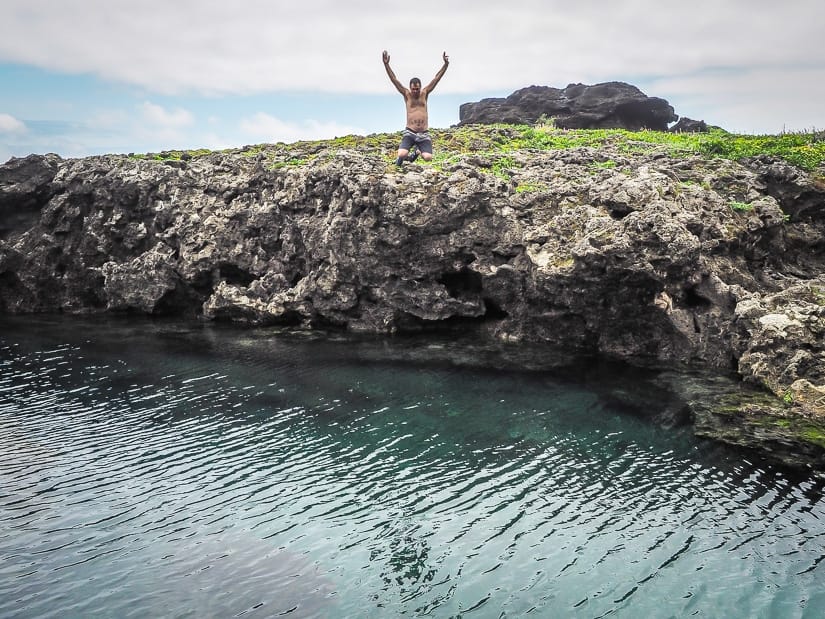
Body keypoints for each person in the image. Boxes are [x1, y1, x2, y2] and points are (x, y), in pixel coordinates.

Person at [382, 50, 449, 166]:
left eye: (417, 89)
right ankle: (400, 161)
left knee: (428, 158)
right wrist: (386, 64)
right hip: (410, 132)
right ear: (410, 87)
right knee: (402, 154)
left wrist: (445, 65)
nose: (415, 91)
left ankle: (417, 152)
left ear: (420, 87)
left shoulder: (425, 93)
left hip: (424, 133)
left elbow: (436, 78)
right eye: (413, 89)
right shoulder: (406, 94)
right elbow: (394, 79)